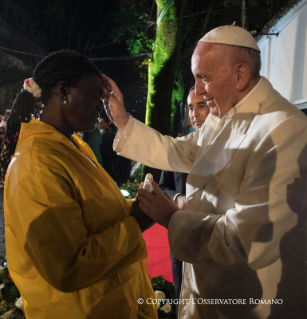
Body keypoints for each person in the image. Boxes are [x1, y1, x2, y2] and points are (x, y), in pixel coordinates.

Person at [103, 25, 307, 319]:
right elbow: (180, 151)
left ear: (239, 75)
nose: (197, 90)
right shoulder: (226, 114)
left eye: (204, 78)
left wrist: (171, 217)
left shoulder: (284, 129)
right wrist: (123, 121)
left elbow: (245, 243)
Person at [1, 50, 157, 319]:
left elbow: (95, 212)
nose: (101, 105)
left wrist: (138, 205)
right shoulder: (37, 163)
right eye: (96, 95)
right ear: (63, 91)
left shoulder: (71, 144)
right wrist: (137, 222)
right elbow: (68, 267)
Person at [158, 87, 209, 316]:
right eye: (190, 107)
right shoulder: (178, 146)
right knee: (181, 295)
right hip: (179, 235)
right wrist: (177, 197)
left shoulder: (230, 150)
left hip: (213, 239)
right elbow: (162, 186)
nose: (194, 113)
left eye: (201, 105)